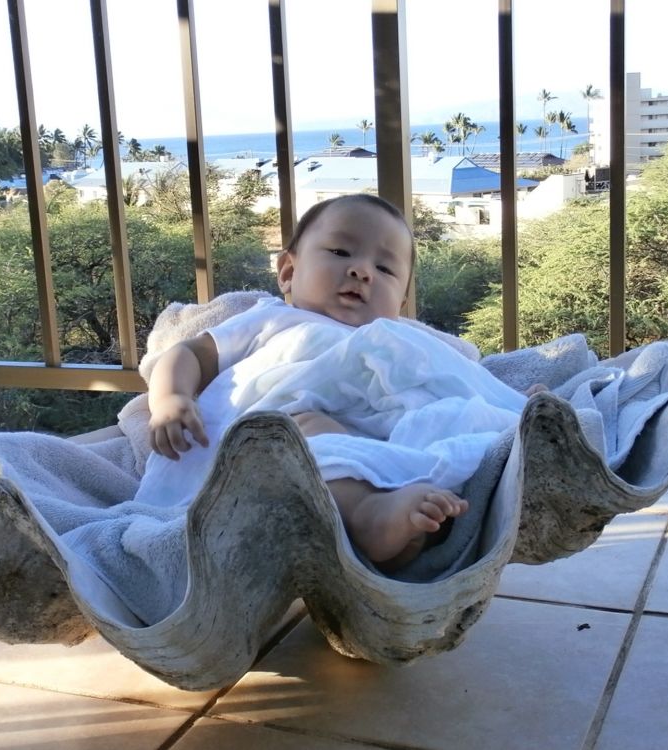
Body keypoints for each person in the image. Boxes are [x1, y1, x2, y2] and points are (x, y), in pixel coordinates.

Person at [146, 194, 468, 570]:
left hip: (374, 440)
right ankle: (366, 515)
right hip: (280, 438)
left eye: (384, 268)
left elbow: (453, 381)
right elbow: (188, 353)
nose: (362, 271)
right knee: (310, 431)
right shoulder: (273, 320)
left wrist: (490, 409)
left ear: (399, 303)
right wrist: (170, 398)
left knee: (442, 433)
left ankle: (402, 529)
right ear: (288, 272)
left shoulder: (394, 341)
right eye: (341, 252)